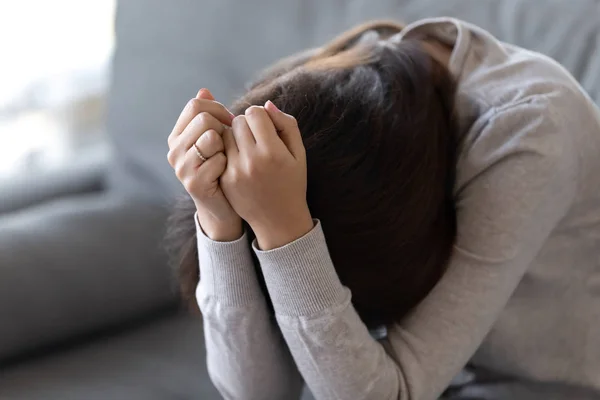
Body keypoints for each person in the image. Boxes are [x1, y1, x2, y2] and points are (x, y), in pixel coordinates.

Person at [165, 18, 600, 400]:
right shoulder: (324, 85)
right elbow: (258, 393)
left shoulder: (530, 129)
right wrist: (218, 223)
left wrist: (289, 235)